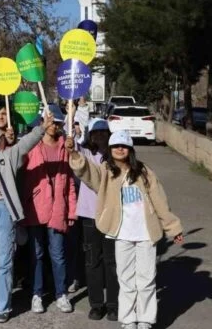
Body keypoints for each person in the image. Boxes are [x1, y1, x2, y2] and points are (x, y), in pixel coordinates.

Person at [67, 130, 184, 329]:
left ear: (130, 149)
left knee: (146, 280)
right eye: (115, 146)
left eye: (124, 146)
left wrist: (172, 227)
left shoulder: (144, 172)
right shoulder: (105, 171)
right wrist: (74, 154)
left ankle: (145, 320)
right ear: (110, 150)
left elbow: (160, 201)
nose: (120, 149)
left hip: (146, 234)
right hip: (121, 234)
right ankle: (129, 320)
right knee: (126, 280)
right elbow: (86, 172)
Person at [0, 112, 54, 323]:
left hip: (4, 212)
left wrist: (42, 128)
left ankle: (3, 306)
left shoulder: (6, 157)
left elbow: (26, 144)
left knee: (4, 261)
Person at [20, 105, 77, 314]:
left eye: (57, 122)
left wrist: (71, 211)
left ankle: (61, 293)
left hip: (58, 209)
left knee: (58, 254)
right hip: (35, 208)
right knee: (36, 254)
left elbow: (70, 181)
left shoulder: (66, 147)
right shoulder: (32, 147)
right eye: (50, 121)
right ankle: (37, 294)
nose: (54, 126)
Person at [74, 119, 118, 321]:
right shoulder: (85, 153)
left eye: (103, 132)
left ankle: (113, 305)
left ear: (109, 134)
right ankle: (96, 304)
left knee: (111, 261)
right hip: (89, 215)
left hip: (111, 214)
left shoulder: (116, 155)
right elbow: (71, 150)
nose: (99, 136)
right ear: (90, 135)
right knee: (93, 260)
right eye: (95, 133)